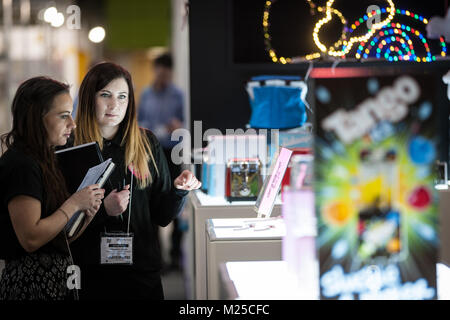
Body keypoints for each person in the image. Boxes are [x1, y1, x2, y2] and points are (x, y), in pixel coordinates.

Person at [71, 62, 201, 300]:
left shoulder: (146, 143)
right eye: (105, 95)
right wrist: (103, 211)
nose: (115, 105)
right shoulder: (71, 149)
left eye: (123, 96)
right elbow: (62, 223)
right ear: (90, 98)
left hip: (141, 273)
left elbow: (162, 216)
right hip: (89, 275)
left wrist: (179, 190)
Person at [0, 76, 105, 300]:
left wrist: (85, 215)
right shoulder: (22, 165)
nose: (73, 124)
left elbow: (58, 237)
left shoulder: (44, 159)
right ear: (37, 117)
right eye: (64, 115)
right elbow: (31, 238)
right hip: (31, 285)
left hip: (55, 280)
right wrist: (74, 203)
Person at [137, 53, 185, 270]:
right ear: (155, 70)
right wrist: (156, 129)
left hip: (173, 152)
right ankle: (156, 257)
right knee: (152, 200)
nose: (163, 77)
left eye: (167, 74)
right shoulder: (146, 94)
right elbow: (139, 123)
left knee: (173, 200)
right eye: (160, 72)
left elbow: (185, 123)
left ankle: (175, 255)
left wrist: (178, 126)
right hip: (150, 153)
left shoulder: (178, 95)